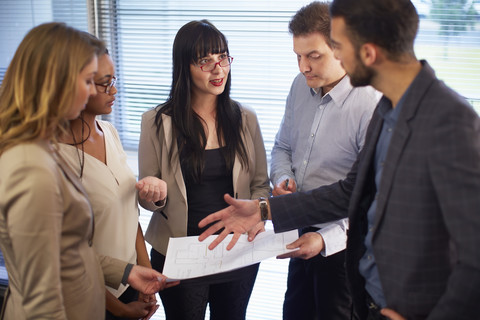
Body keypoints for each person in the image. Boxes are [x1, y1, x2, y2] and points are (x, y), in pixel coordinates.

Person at [197, 1, 480, 319]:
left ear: (368, 52)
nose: (337, 57)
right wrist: (264, 209)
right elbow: (351, 193)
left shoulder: (451, 121)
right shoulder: (389, 108)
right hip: (372, 297)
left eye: (339, 46)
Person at [0, 22, 177, 320]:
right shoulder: (26, 165)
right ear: (55, 83)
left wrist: (129, 271)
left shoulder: (44, 150)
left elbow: (68, 253)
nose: (89, 93)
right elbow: (43, 295)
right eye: (89, 81)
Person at [137, 20, 270, 320]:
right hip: (182, 255)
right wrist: (152, 192)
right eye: (205, 61)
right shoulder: (157, 122)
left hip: (236, 251)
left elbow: (261, 184)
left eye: (222, 58)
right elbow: (148, 198)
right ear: (185, 67)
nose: (218, 69)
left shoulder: (245, 119)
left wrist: (260, 215)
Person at [270, 2, 379, 319]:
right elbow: (282, 146)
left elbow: (369, 196)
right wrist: (282, 179)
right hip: (299, 230)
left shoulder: (370, 102)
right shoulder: (299, 86)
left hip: (345, 245)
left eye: (313, 56)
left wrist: (325, 238)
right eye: (298, 57)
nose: (303, 67)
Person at [58, 39, 161, 319]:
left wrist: (144, 272)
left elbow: (130, 214)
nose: (114, 90)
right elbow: (65, 257)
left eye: (113, 79)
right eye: (105, 83)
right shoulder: (54, 159)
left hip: (130, 282)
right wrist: (121, 310)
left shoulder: (109, 133)